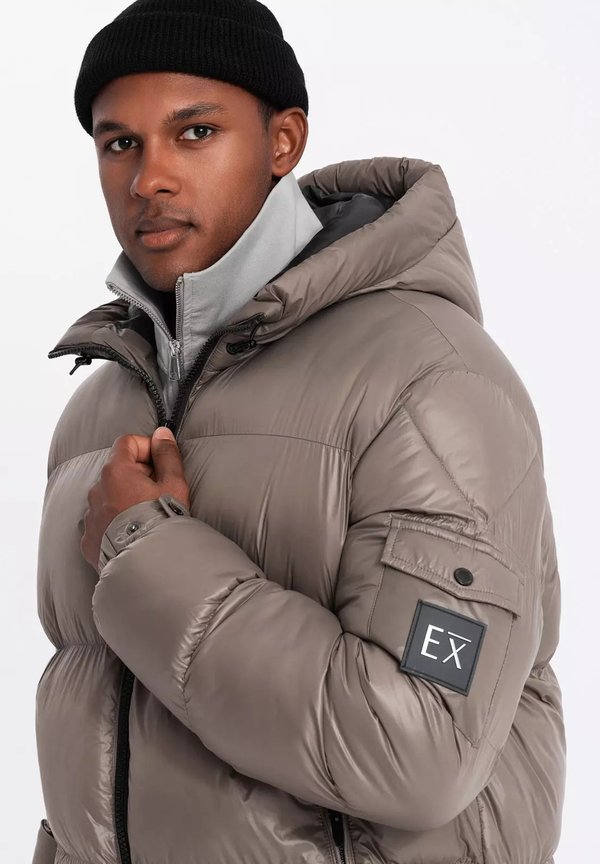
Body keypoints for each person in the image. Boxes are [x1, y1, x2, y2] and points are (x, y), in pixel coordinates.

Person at [32, 1, 566, 863]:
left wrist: (148, 553)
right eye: (119, 142)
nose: (149, 178)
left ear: (283, 142)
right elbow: (97, 754)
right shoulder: (98, 410)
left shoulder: (427, 379)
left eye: (195, 132)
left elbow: (421, 749)